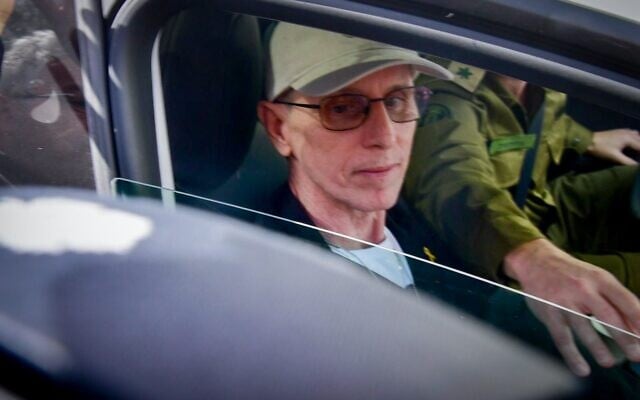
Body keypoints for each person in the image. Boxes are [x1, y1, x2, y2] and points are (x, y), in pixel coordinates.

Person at [255, 22, 640, 382]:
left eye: (399, 100)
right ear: (278, 128)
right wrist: (531, 260)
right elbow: (455, 179)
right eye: (341, 108)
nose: (386, 137)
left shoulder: (415, 225)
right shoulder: (278, 299)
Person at [403, 62, 640, 374]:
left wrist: (586, 139)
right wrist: (531, 257)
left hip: (543, 206)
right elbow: (453, 182)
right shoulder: (451, 88)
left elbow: (537, 133)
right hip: (495, 250)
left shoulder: (537, 70)